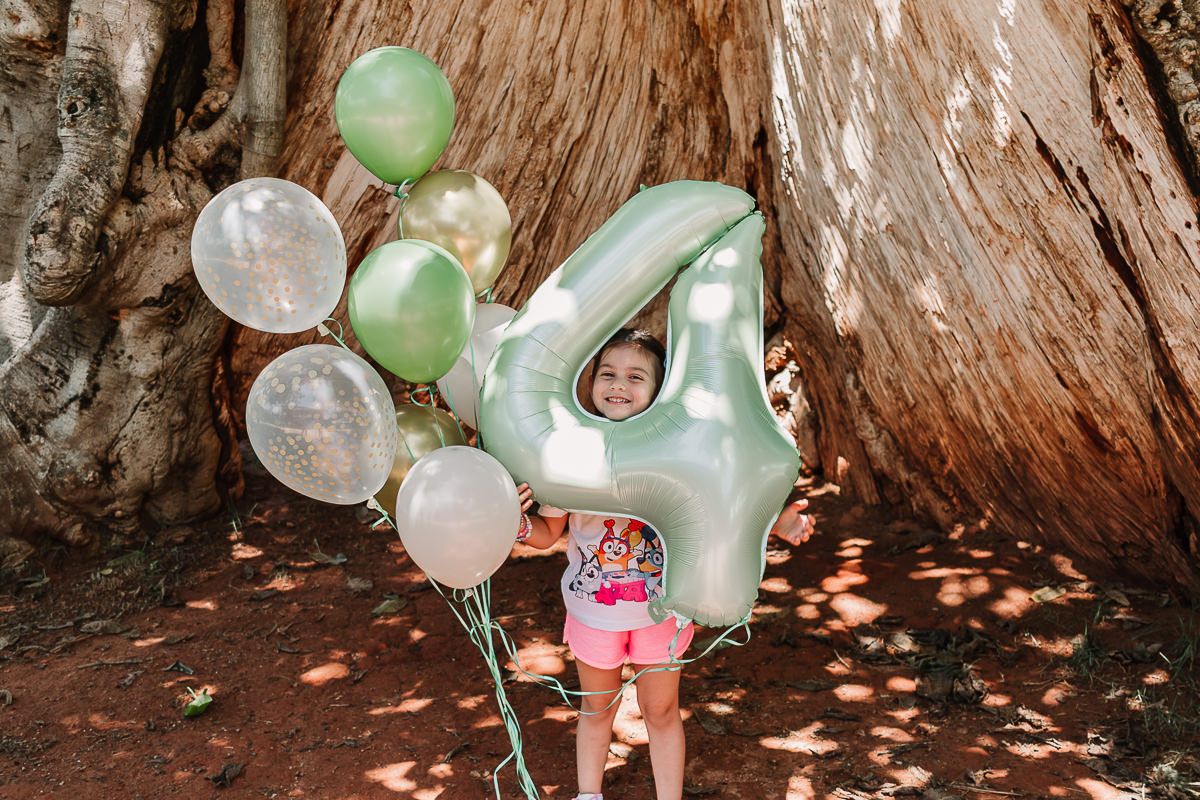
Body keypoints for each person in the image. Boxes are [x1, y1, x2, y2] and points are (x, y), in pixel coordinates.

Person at [514, 328, 815, 800]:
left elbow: (724, 496)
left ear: (659, 391)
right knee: (596, 709)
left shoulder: (680, 448)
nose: (619, 384)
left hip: (663, 612)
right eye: (608, 374)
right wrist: (519, 525)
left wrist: (778, 520)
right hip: (594, 613)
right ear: (590, 383)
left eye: (636, 376)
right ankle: (588, 794)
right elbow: (550, 532)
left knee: (661, 711)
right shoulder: (569, 449)